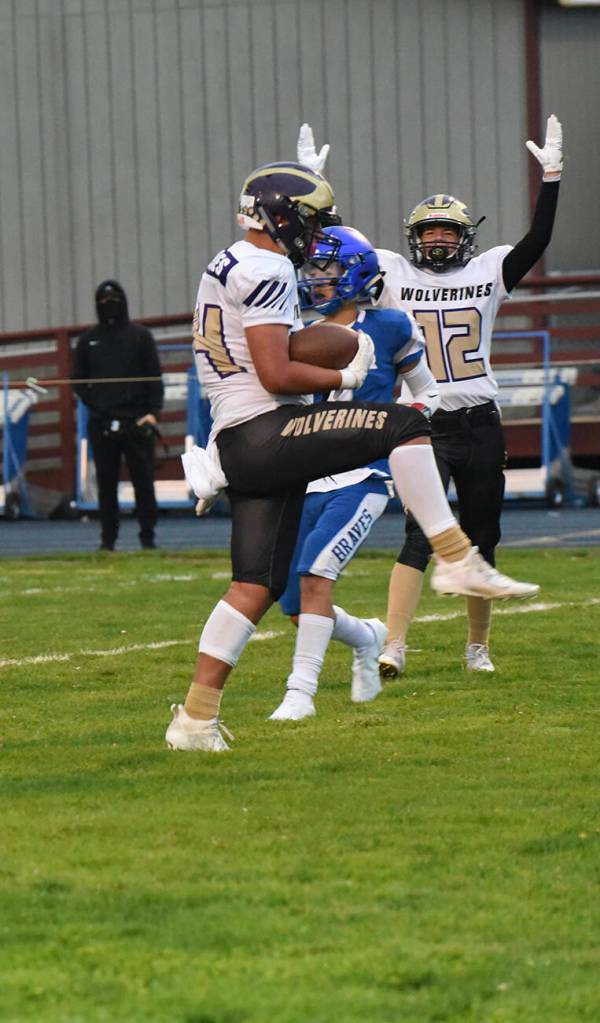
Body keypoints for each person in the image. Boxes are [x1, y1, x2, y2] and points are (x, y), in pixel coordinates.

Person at [167, 160, 539, 752]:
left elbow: (272, 348)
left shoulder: (230, 259)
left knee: (254, 587)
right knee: (403, 425)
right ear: (283, 215)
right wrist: (344, 370)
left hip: (237, 436)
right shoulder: (267, 269)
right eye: (311, 221)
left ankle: (195, 719)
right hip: (264, 434)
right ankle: (454, 554)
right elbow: (276, 371)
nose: (315, 238)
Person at [297, 116, 562, 677]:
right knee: (420, 535)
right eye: (429, 231)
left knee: (483, 535)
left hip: (480, 421)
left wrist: (553, 179)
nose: (437, 239)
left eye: (447, 230)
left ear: (465, 236)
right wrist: (313, 194)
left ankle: (477, 646)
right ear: (412, 237)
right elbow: (341, 250)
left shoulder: (491, 269)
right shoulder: (391, 272)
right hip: (422, 423)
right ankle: (394, 646)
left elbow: (537, 241)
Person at [271, 225, 440, 721]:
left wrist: (398, 425)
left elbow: (428, 392)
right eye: (313, 271)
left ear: (355, 276)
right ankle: (367, 636)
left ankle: (299, 694)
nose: (316, 281)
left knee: (316, 574)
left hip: (361, 476)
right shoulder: (295, 332)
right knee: (293, 603)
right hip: (305, 475)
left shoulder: (389, 326)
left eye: (327, 271)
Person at [72, 280, 164, 551]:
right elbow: (78, 382)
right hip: (102, 423)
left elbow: (154, 379)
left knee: (144, 482)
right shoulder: (88, 341)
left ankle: (148, 536)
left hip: (137, 421)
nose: (108, 304)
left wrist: (152, 413)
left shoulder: (141, 336)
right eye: (102, 300)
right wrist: (97, 406)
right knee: (106, 484)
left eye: (113, 298)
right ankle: (107, 539)